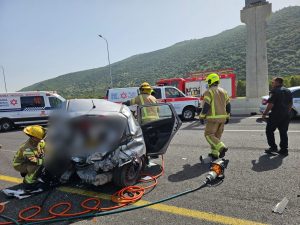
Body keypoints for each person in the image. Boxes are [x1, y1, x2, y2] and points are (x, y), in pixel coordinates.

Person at [199, 73, 231, 159]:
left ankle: (221, 147)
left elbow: (206, 105)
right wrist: (228, 116)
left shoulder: (209, 92)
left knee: (208, 135)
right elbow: (228, 105)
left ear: (210, 81)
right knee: (216, 137)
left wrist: (202, 116)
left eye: (208, 81)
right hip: (223, 119)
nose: (207, 83)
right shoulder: (224, 91)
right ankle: (215, 154)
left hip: (213, 119)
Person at [263, 77, 293, 156]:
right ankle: (284, 150)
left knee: (269, 130)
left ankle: (273, 147)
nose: (272, 84)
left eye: (273, 82)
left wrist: (264, 114)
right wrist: (287, 112)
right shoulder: (288, 91)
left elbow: (270, 104)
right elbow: (290, 104)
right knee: (283, 132)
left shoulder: (274, 91)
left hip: (276, 115)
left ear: (277, 82)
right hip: (286, 115)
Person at [13, 125, 46, 190]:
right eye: (40, 137)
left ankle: (29, 173)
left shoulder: (38, 141)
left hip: (26, 161)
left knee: (41, 161)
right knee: (36, 165)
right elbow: (32, 160)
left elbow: (45, 146)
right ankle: (28, 182)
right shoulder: (27, 148)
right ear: (34, 137)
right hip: (19, 164)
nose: (41, 139)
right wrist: (45, 161)